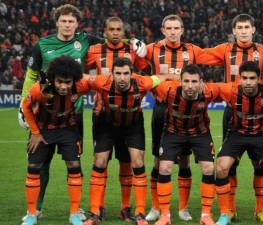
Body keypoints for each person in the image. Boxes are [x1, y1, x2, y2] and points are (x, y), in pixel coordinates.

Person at [18, 4, 101, 221]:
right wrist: (22, 103)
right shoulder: (42, 45)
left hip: (74, 115)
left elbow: (112, 44)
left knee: (75, 163)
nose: (67, 25)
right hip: (43, 115)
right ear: (57, 22)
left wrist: (132, 44)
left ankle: (76, 209)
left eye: (71, 21)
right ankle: (35, 208)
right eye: (63, 21)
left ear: (77, 23)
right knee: (39, 163)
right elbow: (31, 75)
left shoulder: (85, 40)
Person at [202, 14, 263, 221]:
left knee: (259, 164)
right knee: (229, 164)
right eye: (239, 27)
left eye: (246, 27)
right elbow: (198, 55)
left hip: (259, 113)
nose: (243, 31)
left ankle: (260, 210)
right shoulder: (225, 50)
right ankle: (230, 209)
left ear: (253, 30)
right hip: (233, 112)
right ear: (234, 31)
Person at [83, 57, 170, 225]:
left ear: (132, 74)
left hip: (133, 126)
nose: (122, 78)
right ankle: (94, 212)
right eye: (118, 74)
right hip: (107, 125)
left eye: (125, 74)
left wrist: (182, 79)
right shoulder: (102, 81)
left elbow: (163, 76)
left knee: (137, 162)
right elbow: (83, 78)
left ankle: (137, 212)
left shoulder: (143, 82)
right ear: (112, 74)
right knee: (100, 162)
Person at [143, 14, 207, 222]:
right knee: (157, 160)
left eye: (176, 28)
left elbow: (215, 57)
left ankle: (183, 208)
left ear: (182, 30)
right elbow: (133, 62)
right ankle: (155, 207)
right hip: (162, 108)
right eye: (168, 28)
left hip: (188, 110)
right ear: (162, 30)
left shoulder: (193, 51)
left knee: (184, 160)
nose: (172, 31)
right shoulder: (151, 49)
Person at [85, 16, 148, 222]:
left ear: (123, 31)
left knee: (128, 162)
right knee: (100, 161)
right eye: (111, 29)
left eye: (118, 29)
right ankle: (97, 209)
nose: (115, 32)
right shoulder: (94, 50)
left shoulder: (133, 49)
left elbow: (146, 70)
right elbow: (80, 72)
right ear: (105, 30)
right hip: (103, 114)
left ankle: (127, 208)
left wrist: (143, 51)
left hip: (131, 114)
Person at [21, 55, 88, 225]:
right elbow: (26, 107)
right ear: (52, 79)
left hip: (68, 129)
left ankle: (74, 214)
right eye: (60, 82)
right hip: (43, 130)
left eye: (68, 82)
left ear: (74, 80)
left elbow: (101, 81)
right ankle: (31, 214)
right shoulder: (39, 89)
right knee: (33, 167)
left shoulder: (81, 85)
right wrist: (35, 132)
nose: (64, 86)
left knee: (74, 166)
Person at [214, 61, 263, 225]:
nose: (248, 82)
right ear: (240, 79)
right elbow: (205, 89)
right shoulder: (229, 90)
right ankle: (226, 213)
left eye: (252, 78)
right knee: (222, 167)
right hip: (237, 134)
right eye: (244, 78)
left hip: (262, 135)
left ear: (259, 79)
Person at [153, 65, 218, 225]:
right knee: (164, 167)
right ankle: (165, 216)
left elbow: (232, 90)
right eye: (186, 81)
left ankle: (206, 215)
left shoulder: (210, 91)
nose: (190, 86)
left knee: (209, 168)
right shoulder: (168, 90)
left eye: (194, 81)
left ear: (201, 82)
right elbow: (146, 83)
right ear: (180, 81)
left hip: (199, 132)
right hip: (173, 132)